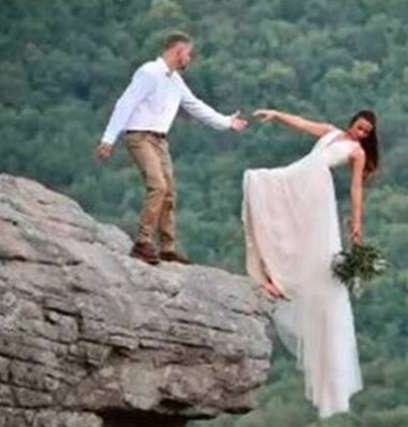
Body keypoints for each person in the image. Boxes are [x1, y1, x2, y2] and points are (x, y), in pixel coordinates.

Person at [243, 109, 380, 418]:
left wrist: (357, 224)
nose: (361, 134)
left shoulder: (356, 152)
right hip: (297, 178)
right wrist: (277, 115)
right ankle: (271, 273)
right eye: (360, 127)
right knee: (257, 185)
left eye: (366, 132)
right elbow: (304, 124)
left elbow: (356, 189)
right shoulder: (331, 132)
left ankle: (285, 282)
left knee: (310, 250)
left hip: (315, 193)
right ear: (351, 122)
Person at [95, 31, 248, 265]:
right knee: (157, 185)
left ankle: (168, 247)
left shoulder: (175, 81)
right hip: (140, 136)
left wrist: (227, 122)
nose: (190, 59)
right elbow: (125, 104)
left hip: (160, 140)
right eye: (188, 54)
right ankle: (142, 242)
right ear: (178, 52)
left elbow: (196, 106)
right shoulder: (149, 73)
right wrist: (108, 139)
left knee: (169, 193)